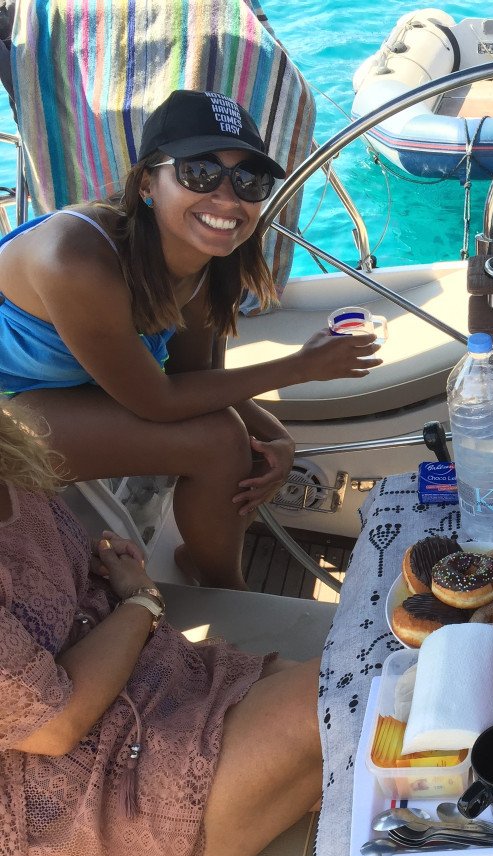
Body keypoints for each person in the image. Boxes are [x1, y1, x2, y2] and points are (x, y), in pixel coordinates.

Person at [0, 89, 381, 589]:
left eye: (249, 180)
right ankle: (226, 590)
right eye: (199, 173)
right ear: (147, 184)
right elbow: (158, 401)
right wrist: (300, 366)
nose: (228, 198)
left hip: (56, 392)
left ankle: (208, 568)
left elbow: (195, 378)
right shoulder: (75, 259)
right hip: (8, 408)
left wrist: (277, 438)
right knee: (218, 440)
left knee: (237, 439)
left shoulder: (201, 264)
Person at [0, 398, 323, 856]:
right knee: (345, 704)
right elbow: (53, 723)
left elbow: (49, 564)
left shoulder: (8, 448)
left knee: (382, 709)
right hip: (77, 797)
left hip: (155, 676)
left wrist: (104, 565)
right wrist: (141, 602)